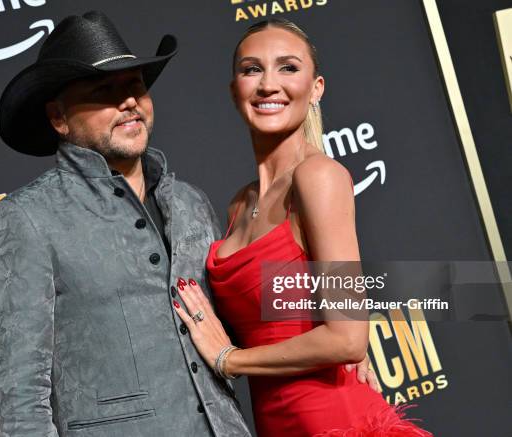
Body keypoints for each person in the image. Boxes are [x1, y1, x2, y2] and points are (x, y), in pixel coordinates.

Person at [0, 11, 253, 437]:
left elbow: (247, 315)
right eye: (103, 91)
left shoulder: (190, 202)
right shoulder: (23, 220)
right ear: (58, 118)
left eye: (135, 85)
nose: (128, 102)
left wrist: (342, 329)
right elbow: (19, 406)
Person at [172, 18, 434, 436]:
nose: (268, 84)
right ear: (234, 90)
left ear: (316, 89)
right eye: (251, 69)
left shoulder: (318, 177)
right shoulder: (239, 205)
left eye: (288, 68)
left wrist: (229, 359)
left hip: (337, 422)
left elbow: (347, 338)